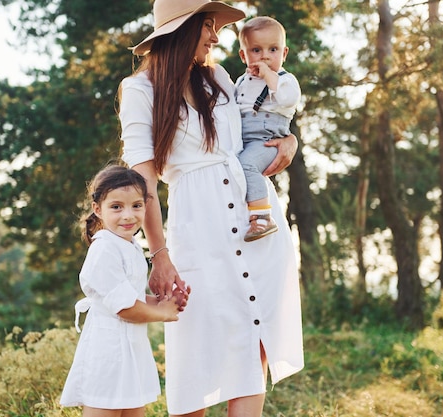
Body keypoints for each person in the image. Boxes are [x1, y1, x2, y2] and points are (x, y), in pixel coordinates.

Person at [118, 0, 304, 416]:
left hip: (257, 223)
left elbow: (260, 128)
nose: (216, 37)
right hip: (196, 226)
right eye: (208, 26)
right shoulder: (140, 90)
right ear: (183, 28)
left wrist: (289, 140)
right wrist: (159, 254)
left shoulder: (219, 76)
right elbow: (143, 180)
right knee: (196, 354)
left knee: (256, 335)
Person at [60, 164, 188, 417]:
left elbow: (132, 296)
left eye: (136, 206)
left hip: (131, 351)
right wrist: (162, 312)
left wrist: (160, 301)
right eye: (116, 207)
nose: (128, 215)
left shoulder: (128, 246)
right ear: (98, 209)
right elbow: (125, 308)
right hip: (108, 353)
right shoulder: (104, 248)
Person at [235, 16, 301, 242]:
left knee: (247, 164)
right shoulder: (241, 82)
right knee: (238, 166)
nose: (265, 56)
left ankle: (263, 217)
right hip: (246, 138)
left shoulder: (284, 79)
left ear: (284, 54)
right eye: (256, 50)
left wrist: (268, 75)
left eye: (273, 49)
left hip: (268, 138)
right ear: (243, 56)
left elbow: (288, 98)